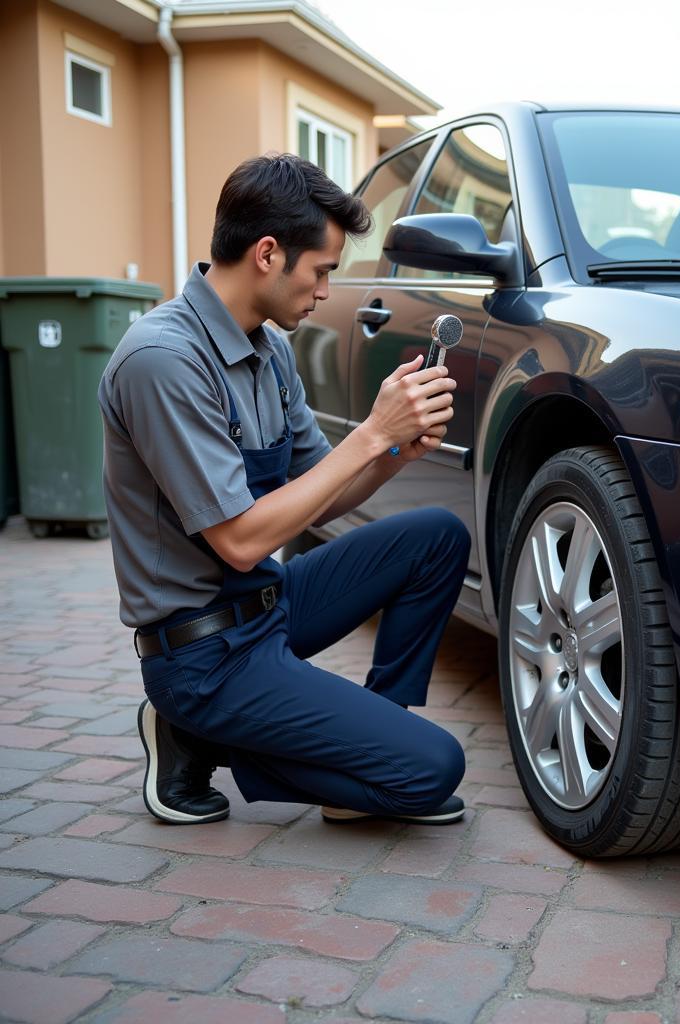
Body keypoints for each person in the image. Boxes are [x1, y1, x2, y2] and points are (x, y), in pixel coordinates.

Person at [98, 154, 470, 827]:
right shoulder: (163, 361)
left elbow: (319, 493)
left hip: (269, 611)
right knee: (434, 770)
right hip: (204, 655)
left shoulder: (270, 352)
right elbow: (240, 542)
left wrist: (393, 451)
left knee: (438, 535)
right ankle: (195, 730)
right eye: (322, 270)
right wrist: (369, 434)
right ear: (268, 254)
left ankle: (374, 741)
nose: (326, 290)